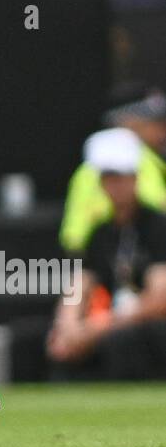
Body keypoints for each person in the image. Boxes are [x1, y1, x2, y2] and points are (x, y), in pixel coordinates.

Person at [48, 128, 166, 377]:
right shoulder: (100, 233)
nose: (115, 186)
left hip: (144, 327)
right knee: (51, 343)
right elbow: (80, 285)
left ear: (135, 178)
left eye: (121, 177)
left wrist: (97, 328)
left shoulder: (158, 226)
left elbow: (158, 299)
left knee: (126, 340)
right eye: (108, 178)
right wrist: (66, 327)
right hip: (111, 320)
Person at [60, 84, 166, 253]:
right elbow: (74, 239)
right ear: (128, 120)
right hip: (104, 259)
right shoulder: (139, 162)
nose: (162, 132)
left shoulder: (153, 160)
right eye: (154, 123)